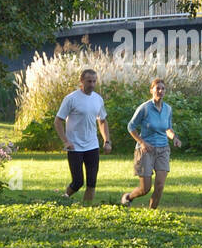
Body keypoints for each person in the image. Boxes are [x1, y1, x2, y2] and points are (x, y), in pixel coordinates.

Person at [121, 77, 181, 209]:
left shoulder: (168, 109)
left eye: (163, 88)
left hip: (163, 149)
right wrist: (142, 142)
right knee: (145, 188)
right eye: (157, 88)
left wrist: (174, 138)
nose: (160, 91)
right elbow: (131, 127)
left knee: (160, 185)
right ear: (151, 90)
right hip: (146, 150)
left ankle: (151, 214)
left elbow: (168, 128)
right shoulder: (145, 108)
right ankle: (128, 197)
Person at [54, 69, 112, 202]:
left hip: (92, 145)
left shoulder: (98, 99)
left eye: (94, 81)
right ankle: (63, 199)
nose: (92, 84)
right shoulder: (71, 98)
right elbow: (58, 121)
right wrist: (65, 141)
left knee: (92, 182)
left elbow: (102, 120)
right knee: (78, 182)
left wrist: (107, 141)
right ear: (81, 81)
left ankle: (86, 210)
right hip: (75, 146)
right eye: (89, 81)